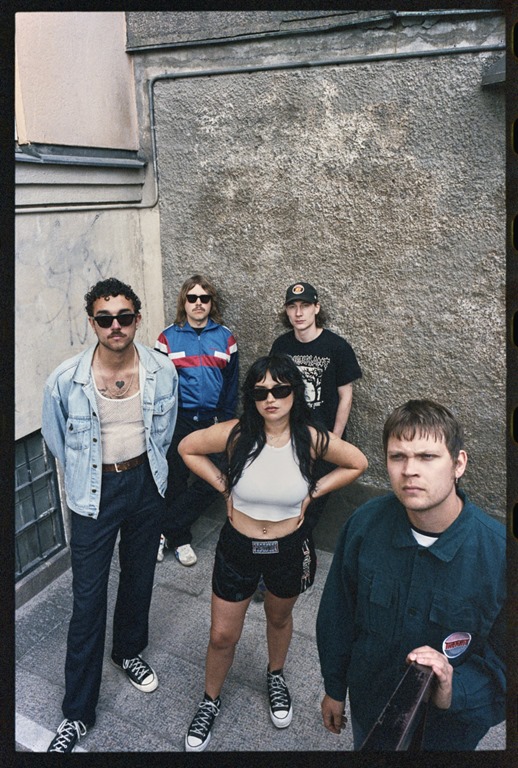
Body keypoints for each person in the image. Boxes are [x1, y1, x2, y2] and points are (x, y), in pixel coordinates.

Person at [178, 354, 368, 751]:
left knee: (279, 619)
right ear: (251, 397)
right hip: (238, 547)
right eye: (260, 391)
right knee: (222, 635)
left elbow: (357, 462)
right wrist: (224, 486)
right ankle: (210, 700)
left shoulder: (310, 438)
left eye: (280, 390)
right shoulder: (236, 434)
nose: (271, 399)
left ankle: (275, 675)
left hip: (288, 548)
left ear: (295, 393)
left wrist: (313, 492)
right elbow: (187, 447)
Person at [316, 399, 506, 751]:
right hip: (371, 709)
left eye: (427, 457)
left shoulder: (499, 555)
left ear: (459, 463)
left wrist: (454, 689)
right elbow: (337, 615)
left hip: (448, 734)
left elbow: (506, 664)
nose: (409, 470)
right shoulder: (364, 525)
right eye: (397, 456)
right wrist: (334, 687)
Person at [42, 277, 178, 752]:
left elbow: (165, 430)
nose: (115, 326)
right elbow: (57, 440)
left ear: (137, 319)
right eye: (105, 318)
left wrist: (146, 474)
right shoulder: (66, 380)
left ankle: (127, 651)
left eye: (123, 317)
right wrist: (89, 474)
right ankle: (77, 713)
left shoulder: (162, 370)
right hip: (94, 493)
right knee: (88, 599)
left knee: (139, 576)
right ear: (92, 323)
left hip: (145, 483)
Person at [155, 274, 238, 566]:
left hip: (213, 421)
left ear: (211, 302)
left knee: (214, 479)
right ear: (184, 302)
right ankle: (180, 540)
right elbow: (159, 385)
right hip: (179, 420)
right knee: (175, 478)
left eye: (204, 298)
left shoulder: (225, 338)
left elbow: (232, 384)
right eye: (192, 298)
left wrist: (226, 422)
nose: (198, 303)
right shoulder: (167, 338)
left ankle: (164, 530)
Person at [269, 282, 362, 535]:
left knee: (311, 506)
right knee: (284, 499)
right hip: (288, 437)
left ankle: (299, 548)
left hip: (323, 438)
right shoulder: (281, 346)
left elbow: (346, 395)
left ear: (316, 308)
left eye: (305, 305)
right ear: (287, 311)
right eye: (293, 307)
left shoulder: (336, 347)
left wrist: (335, 438)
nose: (299, 313)